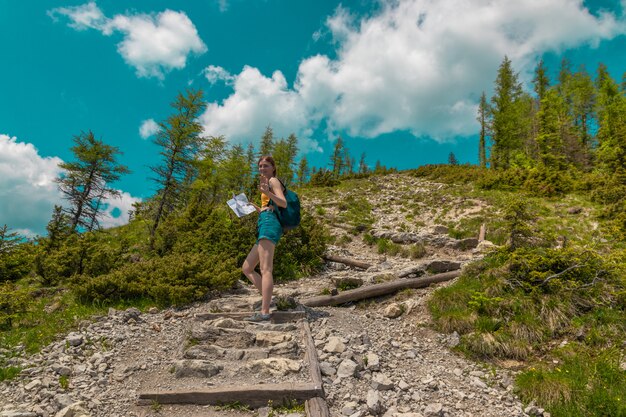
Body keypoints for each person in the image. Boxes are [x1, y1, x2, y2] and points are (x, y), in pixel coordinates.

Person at [241, 155, 287, 322]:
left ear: (273, 168)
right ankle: (269, 300)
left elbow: (282, 203)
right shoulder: (266, 183)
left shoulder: (273, 181)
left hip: (269, 224)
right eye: (260, 166)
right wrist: (255, 207)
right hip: (264, 221)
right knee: (246, 267)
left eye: (266, 166)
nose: (262, 169)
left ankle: (265, 312)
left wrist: (267, 192)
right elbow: (270, 207)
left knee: (265, 269)